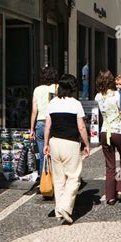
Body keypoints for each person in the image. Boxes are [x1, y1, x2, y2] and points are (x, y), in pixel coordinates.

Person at [43, 74, 90, 224]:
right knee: (74, 177)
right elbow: (81, 127)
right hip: (70, 143)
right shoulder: (75, 104)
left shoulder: (52, 103)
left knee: (59, 179)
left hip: (54, 142)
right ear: (72, 88)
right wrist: (87, 144)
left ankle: (58, 210)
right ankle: (65, 206)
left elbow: (47, 127)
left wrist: (45, 144)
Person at [95, 70, 121, 204]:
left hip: (105, 132)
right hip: (119, 131)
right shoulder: (118, 94)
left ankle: (110, 196)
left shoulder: (98, 97)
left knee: (110, 165)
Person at [29, 66, 58, 174]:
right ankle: (56, 180)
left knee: (43, 155)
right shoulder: (57, 88)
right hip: (54, 123)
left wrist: (32, 128)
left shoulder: (37, 89)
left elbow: (34, 110)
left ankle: (44, 183)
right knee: (55, 155)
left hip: (40, 123)